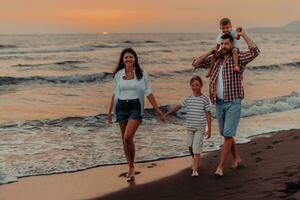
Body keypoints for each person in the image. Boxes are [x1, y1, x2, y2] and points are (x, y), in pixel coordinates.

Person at [192, 28, 260, 176]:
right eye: (222, 43)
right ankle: (236, 158)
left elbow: (255, 51)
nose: (224, 46)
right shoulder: (215, 60)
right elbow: (195, 64)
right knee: (226, 134)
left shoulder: (239, 59)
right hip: (219, 102)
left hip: (234, 101)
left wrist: (244, 35)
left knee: (228, 135)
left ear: (232, 44)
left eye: (227, 43)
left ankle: (220, 167)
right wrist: (210, 51)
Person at [108, 48, 164, 181]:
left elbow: (148, 91)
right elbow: (115, 93)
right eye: (126, 57)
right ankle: (130, 166)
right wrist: (110, 111)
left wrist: (157, 110)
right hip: (120, 107)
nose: (128, 59)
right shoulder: (118, 74)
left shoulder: (141, 73)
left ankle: (132, 168)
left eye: (131, 57)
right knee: (125, 140)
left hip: (135, 106)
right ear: (122, 59)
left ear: (135, 59)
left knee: (128, 137)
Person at [163, 76, 211, 177]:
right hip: (190, 127)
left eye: (197, 85)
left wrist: (209, 129)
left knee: (196, 147)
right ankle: (195, 160)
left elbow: (208, 114)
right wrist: (167, 114)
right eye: (193, 85)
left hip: (200, 128)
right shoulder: (188, 99)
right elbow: (178, 107)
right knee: (190, 146)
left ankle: (195, 170)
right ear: (191, 86)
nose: (195, 87)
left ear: (201, 85)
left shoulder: (205, 99)